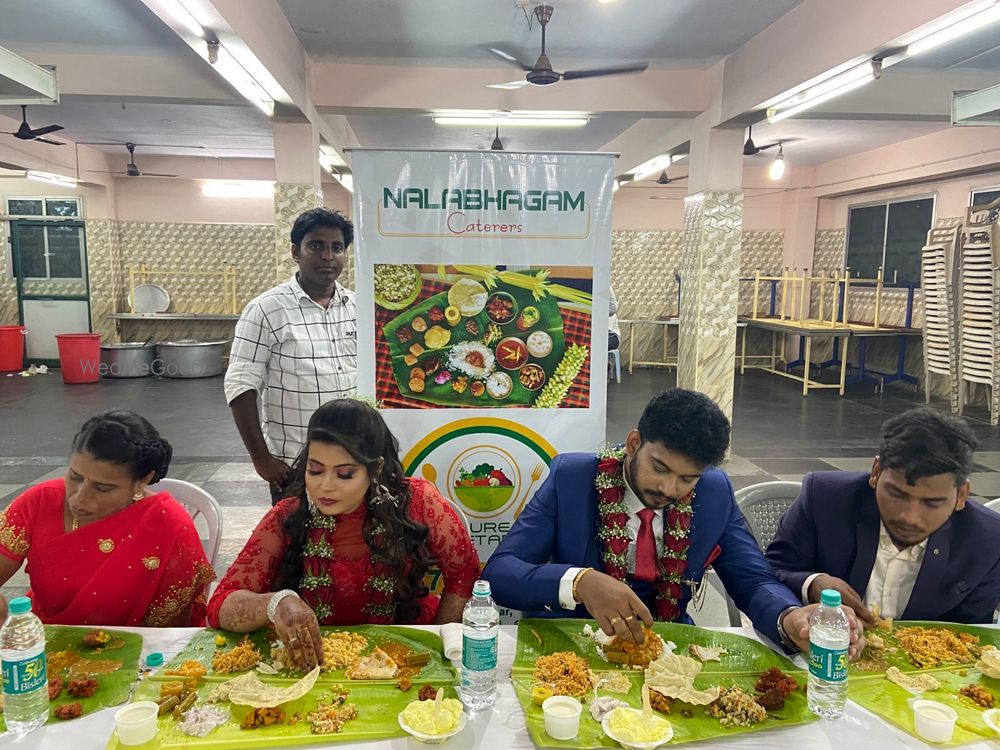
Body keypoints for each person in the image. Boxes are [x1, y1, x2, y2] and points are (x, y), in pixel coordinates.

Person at [483, 388, 864, 656]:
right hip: (569, 646)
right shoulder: (572, 478)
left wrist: (790, 617)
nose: (668, 488)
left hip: (666, 648)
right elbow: (500, 574)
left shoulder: (713, 493)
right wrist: (580, 581)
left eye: (688, 478)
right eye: (660, 468)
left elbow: (752, 580)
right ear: (634, 444)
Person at [207, 398, 480, 669]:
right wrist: (276, 603)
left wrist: (439, 647)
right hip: (316, 662)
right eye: (315, 470)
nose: (325, 486)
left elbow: (463, 574)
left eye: (345, 474)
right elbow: (220, 605)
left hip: (404, 657)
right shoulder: (289, 515)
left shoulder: (417, 502)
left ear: (376, 469)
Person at [766, 407, 1000, 624]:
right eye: (896, 494)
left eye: (932, 503)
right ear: (876, 472)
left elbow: (971, 636)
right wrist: (812, 583)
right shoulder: (825, 498)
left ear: (961, 495)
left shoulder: (986, 540)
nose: (909, 517)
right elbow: (770, 570)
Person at [0, 411, 215, 626]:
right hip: (44, 645)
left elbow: (170, 635)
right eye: (74, 476)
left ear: (143, 481)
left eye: (103, 488)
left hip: (132, 651)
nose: (80, 497)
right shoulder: (39, 502)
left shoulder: (169, 527)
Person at [226, 208, 358, 503]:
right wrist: (262, 459)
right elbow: (240, 386)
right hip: (296, 465)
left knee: (350, 544)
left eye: (337, 248)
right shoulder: (266, 309)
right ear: (296, 251)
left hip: (354, 460)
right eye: (316, 246)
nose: (327, 256)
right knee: (297, 544)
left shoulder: (357, 307)